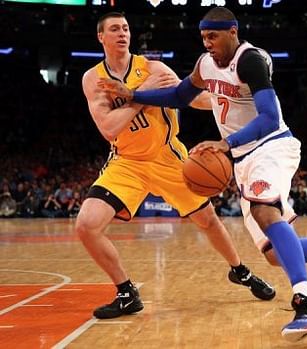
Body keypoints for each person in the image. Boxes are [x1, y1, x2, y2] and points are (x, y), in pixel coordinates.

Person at [100, 7, 307, 342]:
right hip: (242, 160)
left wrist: (226, 143)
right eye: (203, 37)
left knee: (264, 210)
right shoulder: (205, 64)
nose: (207, 43)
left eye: (213, 36)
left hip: (271, 146)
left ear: (233, 31)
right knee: (274, 254)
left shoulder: (250, 60)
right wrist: (135, 95)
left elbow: (270, 118)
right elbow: (179, 96)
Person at [77, 12, 275, 320]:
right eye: (114, 29)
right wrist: (144, 95)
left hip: (168, 156)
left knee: (208, 221)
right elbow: (109, 128)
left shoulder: (153, 68)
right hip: (127, 162)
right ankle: (126, 292)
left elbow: (189, 97)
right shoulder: (93, 79)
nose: (122, 33)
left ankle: (240, 271)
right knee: (86, 225)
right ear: (100, 37)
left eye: (126, 28)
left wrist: (230, 98)